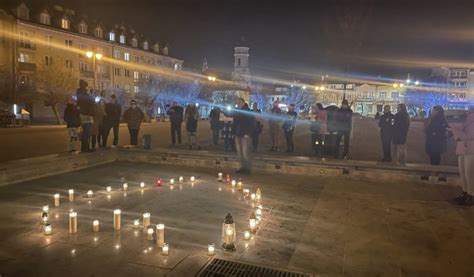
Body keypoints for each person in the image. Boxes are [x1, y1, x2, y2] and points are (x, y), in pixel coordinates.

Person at [453, 107, 474, 206]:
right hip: (463, 148)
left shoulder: (469, 121)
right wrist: (457, 133)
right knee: (464, 172)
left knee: (468, 173)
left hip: (470, 149)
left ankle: (470, 195)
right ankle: (465, 193)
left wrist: (457, 132)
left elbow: (469, 136)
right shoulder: (466, 121)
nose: (468, 112)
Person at [232, 98, 255, 174]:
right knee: (240, 153)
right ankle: (242, 167)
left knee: (245, 153)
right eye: (237, 102)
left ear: (243, 103)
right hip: (238, 134)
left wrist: (248, 133)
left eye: (239, 102)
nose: (237, 104)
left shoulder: (247, 111)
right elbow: (234, 120)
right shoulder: (237, 111)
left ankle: (247, 169)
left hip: (245, 135)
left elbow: (251, 124)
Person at [75, 79, 95, 152]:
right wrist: (91, 94)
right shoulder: (83, 94)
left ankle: (85, 147)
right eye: (86, 86)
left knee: (86, 132)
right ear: (84, 86)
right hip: (86, 114)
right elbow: (91, 101)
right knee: (87, 132)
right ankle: (85, 148)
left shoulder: (80, 93)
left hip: (85, 113)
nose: (87, 88)